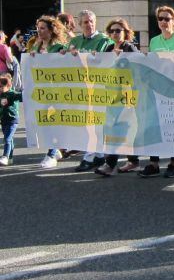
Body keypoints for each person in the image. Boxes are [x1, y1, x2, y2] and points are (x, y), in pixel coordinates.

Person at [139, 6, 174, 179]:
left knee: (173, 126)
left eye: (167, 19)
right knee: (153, 125)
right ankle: (153, 163)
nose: (163, 22)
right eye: (160, 19)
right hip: (157, 89)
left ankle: (173, 163)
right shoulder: (154, 41)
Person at [95, 18, 141, 176]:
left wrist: (122, 57)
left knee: (120, 128)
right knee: (118, 128)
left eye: (118, 30)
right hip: (113, 95)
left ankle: (110, 165)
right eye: (112, 31)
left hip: (127, 95)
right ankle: (133, 162)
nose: (115, 33)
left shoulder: (130, 48)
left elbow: (137, 67)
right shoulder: (108, 48)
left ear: (126, 33)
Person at [69, 10, 112, 172]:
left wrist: (78, 56)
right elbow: (65, 60)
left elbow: (100, 60)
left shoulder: (103, 40)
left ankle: (89, 157)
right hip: (80, 88)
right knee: (88, 124)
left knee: (96, 123)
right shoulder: (75, 40)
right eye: (85, 22)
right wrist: (63, 54)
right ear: (80, 25)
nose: (89, 25)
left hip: (98, 87)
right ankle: (99, 156)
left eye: (92, 21)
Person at [30, 16, 70, 168]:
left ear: (51, 30)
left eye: (42, 28)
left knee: (54, 123)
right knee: (42, 123)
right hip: (41, 91)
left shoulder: (58, 48)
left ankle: (51, 154)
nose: (39, 31)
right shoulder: (36, 46)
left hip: (57, 91)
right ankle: (57, 148)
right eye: (38, 28)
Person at [0, 73, 22, 166]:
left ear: (8, 85)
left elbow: (22, 96)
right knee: (9, 139)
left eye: (1, 86)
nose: (0, 88)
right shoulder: (0, 95)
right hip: (4, 120)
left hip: (12, 120)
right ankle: (10, 158)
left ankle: (5, 156)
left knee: (7, 139)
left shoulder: (12, 94)